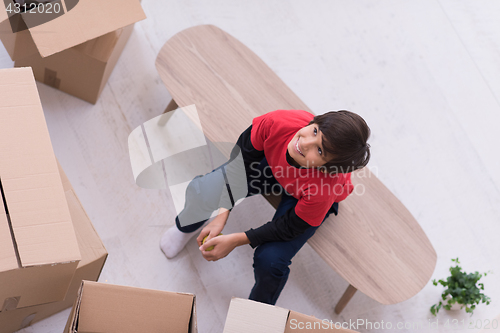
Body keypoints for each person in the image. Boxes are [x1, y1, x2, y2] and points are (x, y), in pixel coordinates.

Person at [160, 109, 371, 305]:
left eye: (319, 150)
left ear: (327, 167)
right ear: (313, 122)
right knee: (205, 189)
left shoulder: (324, 187)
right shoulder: (276, 124)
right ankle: (185, 227)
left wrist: (237, 239)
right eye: (314, 131)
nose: (305, 143)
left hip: (305, 196)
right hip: (273, 167)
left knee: (270, 261)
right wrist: (221, 215)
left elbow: (289, 227)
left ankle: (256, 314)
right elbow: (240, 164)